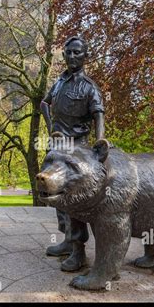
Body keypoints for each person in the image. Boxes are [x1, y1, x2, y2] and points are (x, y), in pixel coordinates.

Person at [40, 36, 105, 271]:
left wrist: (100, 141)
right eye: (68, 52)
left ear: (85, 56)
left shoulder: (88, 86)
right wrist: (50, 128)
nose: (72, 56)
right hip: (57, 148)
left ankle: (79, 252)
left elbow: (98, 113)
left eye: (77, 52)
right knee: (56, 195)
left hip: (77, 149)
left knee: (74, 200)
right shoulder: (58, 82)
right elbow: (44, 103)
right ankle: (68, 240)